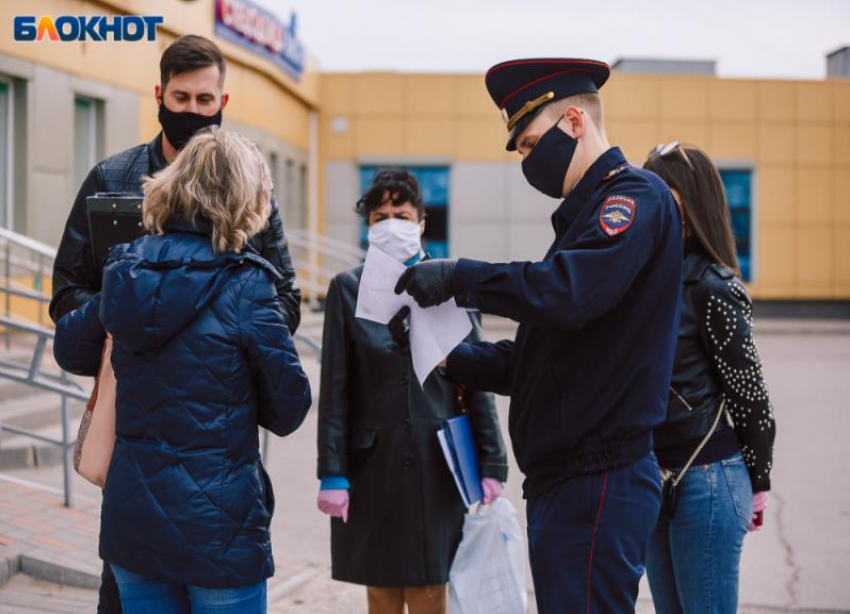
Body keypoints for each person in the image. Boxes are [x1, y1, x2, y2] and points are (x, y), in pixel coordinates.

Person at [394, 59, 683, 613]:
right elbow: (543, 358)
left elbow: (566, 293)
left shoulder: (633, 200)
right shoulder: (583, 218)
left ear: (574, 121)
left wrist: (461, 277)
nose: (527, 162)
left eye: (528, 144)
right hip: (568, 483)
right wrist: (447, 356)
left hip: (598, 479)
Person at [49, 35, 302, 613]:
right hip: (134, 411)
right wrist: (122, 329)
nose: (191, 111)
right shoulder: (113, 177)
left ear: (223, 101)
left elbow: (283, 296)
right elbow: (66, 292)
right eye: (181, 98)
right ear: (159, 95)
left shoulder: (245, 181)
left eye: (204, 100)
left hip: (212, 420)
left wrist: (228, 335)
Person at [316, 168, 509, 614]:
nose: (390, 223)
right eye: (379, 216)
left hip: (437, 464)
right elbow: (336, 390)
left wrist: (492, 462)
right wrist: (332, 470)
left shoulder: (448, 283)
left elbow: (477, 378)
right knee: (381, 594)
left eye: (400, 214)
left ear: (421, 222)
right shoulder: (347, 289)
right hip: (372, 468)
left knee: (430, 591)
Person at [642, 142, 776, 614]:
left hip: (710, 479)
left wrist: (759, 482)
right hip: (651, 477)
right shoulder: (640, 278)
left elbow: (750, 396)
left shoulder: (714, 287)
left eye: (661, 193)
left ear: (688, 201)